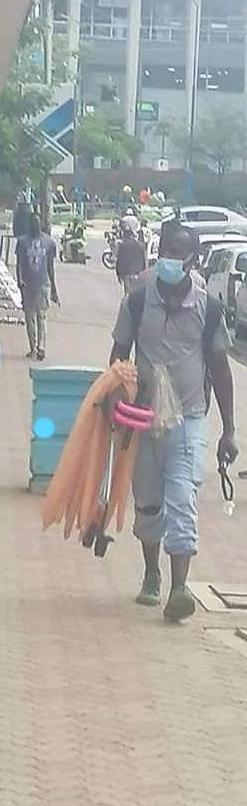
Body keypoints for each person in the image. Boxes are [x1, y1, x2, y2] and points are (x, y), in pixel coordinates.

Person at [110, 223, 238, 622]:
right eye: (163, 250)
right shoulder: (137, 301)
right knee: (148, 503)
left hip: (189, 418)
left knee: (182, 499)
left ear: (192, 261)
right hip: (142, 418)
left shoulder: (209, 308)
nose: (167, 259)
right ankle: (152, 574)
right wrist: (110, 400)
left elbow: (219, 368)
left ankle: (179, 587)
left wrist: (230, 430)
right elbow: (118, 354)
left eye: (176, 253)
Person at [16, 213, 58, 361]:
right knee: (29, 318)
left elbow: (50, 267)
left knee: (42, 317)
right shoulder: (22, 242)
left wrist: (54, 289)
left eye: (37, 222)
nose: (35, 225)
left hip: (43, 284)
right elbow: (19, 263)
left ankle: (41, 347)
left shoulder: (49, 242)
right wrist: (19, 281)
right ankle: (33, 347)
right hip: (27, 285)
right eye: (33, 222)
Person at [116, 224, 146, 295]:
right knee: (137, 293)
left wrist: (119, 275)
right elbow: (144, 261)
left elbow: (119, 261)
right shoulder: (140, 245)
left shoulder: (122, 246)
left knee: (128, 294)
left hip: (127, 273)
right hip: (138, 273)